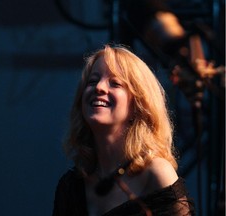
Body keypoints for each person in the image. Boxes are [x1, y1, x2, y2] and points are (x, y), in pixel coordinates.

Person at [52, 44, 195, 216]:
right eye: (92, 81)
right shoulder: (71, 186)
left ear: (138, 105)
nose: (99, 87)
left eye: (115, 83)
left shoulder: (156, 173)